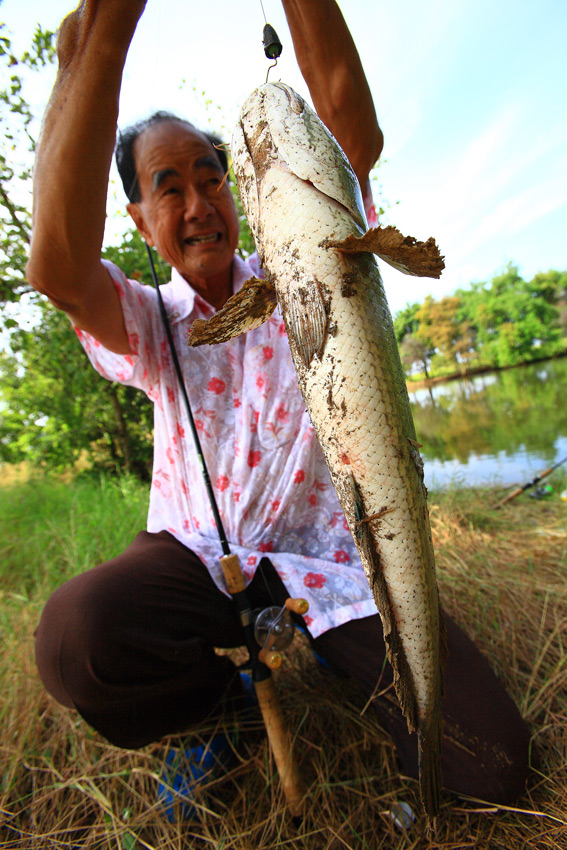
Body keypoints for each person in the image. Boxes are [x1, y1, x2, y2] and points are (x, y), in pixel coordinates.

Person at [28, 0, 530, 811]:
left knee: (487, 765)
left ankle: (340, 654)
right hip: (201, 557)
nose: (199, 204)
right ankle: (217, 712)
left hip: (336, 563)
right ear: (137, 220)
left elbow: (348, 133)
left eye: (211, 176)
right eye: (169, 188)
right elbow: (56, 266)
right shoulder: (147, 321)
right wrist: (105, 36)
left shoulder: (317, 256)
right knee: (78, 639)